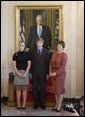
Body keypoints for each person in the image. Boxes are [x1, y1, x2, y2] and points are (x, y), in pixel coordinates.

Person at [30, 38, 49, 110]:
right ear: (36, 43)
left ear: (42, 43)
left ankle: (43, 104)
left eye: (40, 42)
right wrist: (30, 73)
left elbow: (47, 63)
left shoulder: (46, 52)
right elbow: (31, 63)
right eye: (38, 42)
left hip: (43, 73)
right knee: (34, 89)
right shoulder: (32, 52)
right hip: (34, 73)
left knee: (43, 89)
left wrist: (47, 73)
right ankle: (35, 104)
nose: (39, 44)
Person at [49, 40, 68, 112]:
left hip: (60, 75)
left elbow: (63, 67)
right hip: (53, 74)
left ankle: (59, 106)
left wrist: (55, 73)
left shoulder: (64, 55)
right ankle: (56, 105)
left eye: (60, 45)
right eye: (58, 45)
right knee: (55, 90)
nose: (58, 47)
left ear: (63, 47)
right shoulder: (54, 54)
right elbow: (50, 64)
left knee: (59, 90)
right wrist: (50, 72)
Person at [12, 41, 31, 109]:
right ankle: (18, 105)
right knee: (18, 90)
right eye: (20, 45)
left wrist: (25, 73)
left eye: (22, 45)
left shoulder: (27, 54)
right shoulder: (15, 54)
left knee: (24, 90)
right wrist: (18, 73)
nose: (21, 46)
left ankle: (23, 105)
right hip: (17, 73)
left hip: (25, 72)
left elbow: (29, 65)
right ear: (18, 46)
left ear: (24, 46)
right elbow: (14, 65)